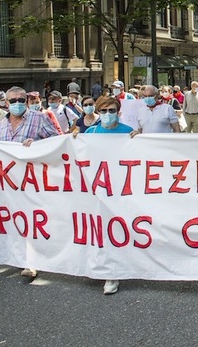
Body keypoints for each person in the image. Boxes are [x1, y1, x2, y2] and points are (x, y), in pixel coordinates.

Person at [0, 86, 60, 279]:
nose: (17, 104)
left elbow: (57, 141)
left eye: (21, 100)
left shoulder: (39, 119)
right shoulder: (1, 125)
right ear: (6, 103)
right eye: (12, 101)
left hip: (34, 182)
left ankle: (32, 261)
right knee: (17, 220)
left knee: (33, 220)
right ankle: (22, 256)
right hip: (10, 186)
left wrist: (37, 145)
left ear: (26, 101)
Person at [81, 96, 134, 295]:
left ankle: (119, 268)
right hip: (98, 190)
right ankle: (108, 270)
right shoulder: (91, 132)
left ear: (118, 112)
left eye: (112, 110)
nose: (108, 115)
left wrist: (140, 140)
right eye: (103, 111)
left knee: (120, 228)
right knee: (102, 229)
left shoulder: (128, 132)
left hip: (123, 189)